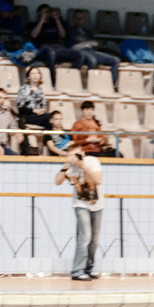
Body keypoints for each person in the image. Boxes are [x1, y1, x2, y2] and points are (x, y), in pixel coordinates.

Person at [55, 142, 103, 280]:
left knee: (94, 240)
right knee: (85, 237)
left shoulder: (92, 161)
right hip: (80, 204)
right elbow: (57, 181)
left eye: (78, 154)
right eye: (72, 155)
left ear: (83, 152)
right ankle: (77, 271)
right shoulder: (70, 167)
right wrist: (67, 165)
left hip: (97, 204)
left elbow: (98, 180)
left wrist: (84, 167)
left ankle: (89, 268)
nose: (76, 157)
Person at [28, 3, 84, 82]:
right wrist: (42, 20)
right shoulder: (33, 24)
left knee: (79, 55)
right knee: (51, 53)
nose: (47, 14)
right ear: (39, 13)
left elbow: (63, 35)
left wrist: (57, 19)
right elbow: (33, 35)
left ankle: (71, 78)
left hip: (58, 48)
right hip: (43, 49)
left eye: (48, 12)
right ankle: (52, 80)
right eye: (44, 12)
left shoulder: (56, 23)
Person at [67, 9, 120, 85]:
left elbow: (96, 43)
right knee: (92, 60)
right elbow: (72, 47)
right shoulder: (70, 30)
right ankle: (92, 84)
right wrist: (87, 44)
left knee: (115, 60)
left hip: (92, 51)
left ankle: (111, 84)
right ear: (73, 19)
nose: (79, 20)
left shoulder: (88, 32)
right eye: (77, 18)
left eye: (81, 18)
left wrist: (86, 43)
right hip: (80, 52)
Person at [0, 88, 21, 155]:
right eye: (0, 97)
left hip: (4, 146)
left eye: (4, 98)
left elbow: (12, 131)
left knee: (17, 158)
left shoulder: (7, 113)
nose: (2, 101)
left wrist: (18, 133)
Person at [17, 65, 52, 129]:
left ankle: (49, 139)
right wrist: (34, 111)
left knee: (50, 121)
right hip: (27, 115)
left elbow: (43, 106)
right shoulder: (23, 89)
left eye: (37, 73)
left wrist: (42, 110)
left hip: (38, 116)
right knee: (50, 118)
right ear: (28, 77)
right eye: (33, 73)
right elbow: (21, 108)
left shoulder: (40, 90)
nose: (36, 75)